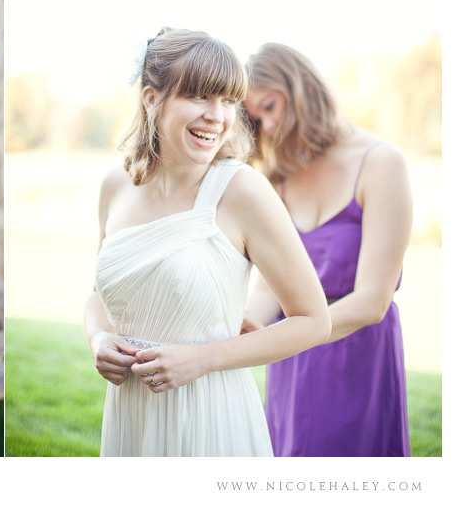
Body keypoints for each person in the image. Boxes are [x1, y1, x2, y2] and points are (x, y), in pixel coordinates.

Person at [83, 28, 330, 457]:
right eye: (199, 96)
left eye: (229, 100)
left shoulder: (243, 192)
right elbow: (98, 295)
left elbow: (313, 320)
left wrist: (202, 359)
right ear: (151, 99)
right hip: (130, 416)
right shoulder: (114, 186)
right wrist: (99, 340)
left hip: (210, 416)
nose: (218, 116)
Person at [242, 43, 412, 457]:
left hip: (359, 355)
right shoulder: (278, 178)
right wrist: (248, 329)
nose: (266, 125)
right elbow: (268, 286)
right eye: (255, 119)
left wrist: (293, 333)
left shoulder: (382, 164)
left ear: (301, 87)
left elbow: (373, 301)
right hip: (291, 359)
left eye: (269, 106)